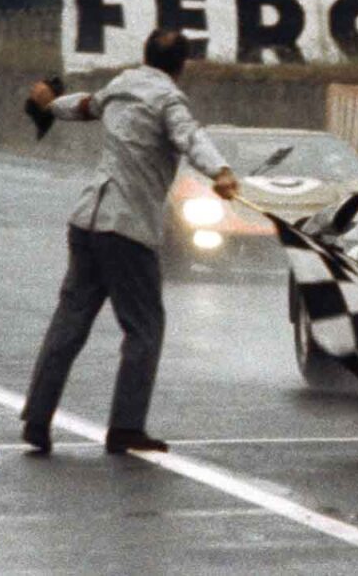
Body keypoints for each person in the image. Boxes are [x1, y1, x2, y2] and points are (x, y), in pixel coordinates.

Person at [20, 29, 239, 456]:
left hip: (87, 220)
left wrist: (48, 104)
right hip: (128, 227)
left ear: (146, 55)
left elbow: (83, 106)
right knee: (144, 329)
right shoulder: (169, 100)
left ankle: (36, 417)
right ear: (182, 65)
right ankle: (125, 427)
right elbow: (190, 137)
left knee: (69, 324)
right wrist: (222, 172)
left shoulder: (121, 86)